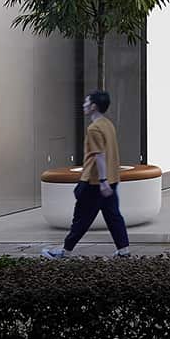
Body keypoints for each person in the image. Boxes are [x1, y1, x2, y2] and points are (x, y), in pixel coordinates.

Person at [43, 90, 131, 259]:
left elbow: (99, 155)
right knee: (113, 216)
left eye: (86, 103)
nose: (83, 105)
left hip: (95, 181)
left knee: (81, 218)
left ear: (94, 106)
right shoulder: (108, 124)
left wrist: (103, 180)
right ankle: (123, 251)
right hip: (111, 179)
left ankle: (65, 251)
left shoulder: (94, 128)